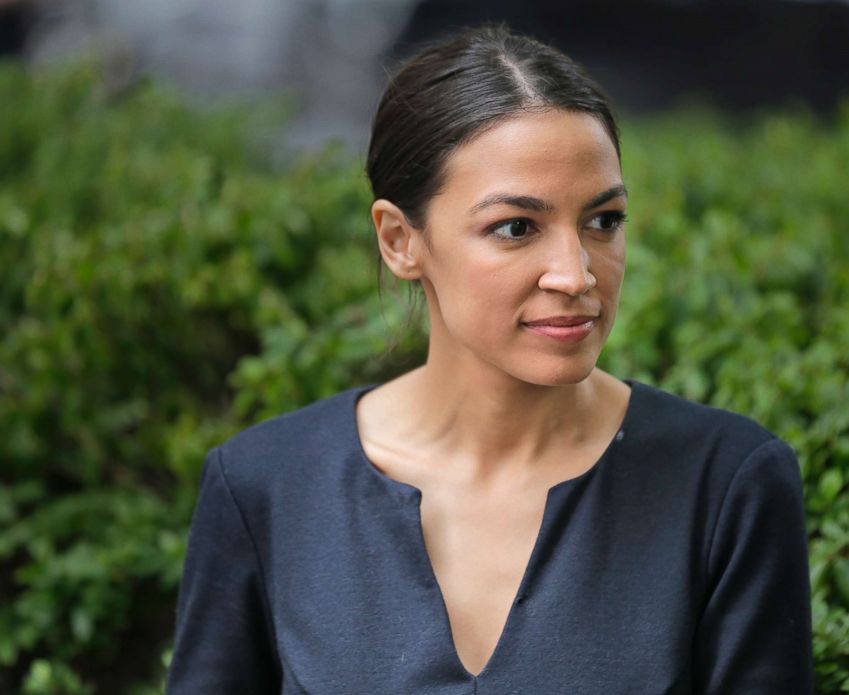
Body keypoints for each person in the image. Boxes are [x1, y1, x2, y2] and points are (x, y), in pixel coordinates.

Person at [166, 23, 813, 694]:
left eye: (603, 220)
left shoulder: (726, 483)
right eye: (516, 228)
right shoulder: (267, 487)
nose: (576, 273)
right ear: (399, 240)